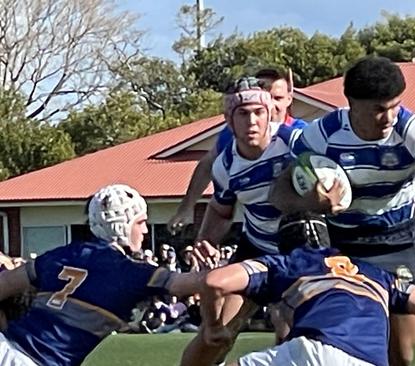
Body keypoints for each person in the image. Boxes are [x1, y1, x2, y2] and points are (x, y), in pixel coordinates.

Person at [269, 55, 415, 366]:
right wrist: (310, 203)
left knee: (400, 352)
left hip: (396, 241)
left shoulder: (413, 130)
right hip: (340, 245)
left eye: (395, 106)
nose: (389, 116)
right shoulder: (321, 135)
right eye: (379, 109)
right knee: (309, 338)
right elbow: (278, 193)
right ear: (352, 103)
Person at [198, 213, 415, 366]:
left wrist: (215, 328)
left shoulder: (288, 263)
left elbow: (215, 281)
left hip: (315, 352)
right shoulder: (375, 275)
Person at [0, 184, 205, 366]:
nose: (145, 231)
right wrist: (236, 268)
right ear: (122, 225)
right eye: (140, 222)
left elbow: (5, 283)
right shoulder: (130, 272)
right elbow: (195, 283)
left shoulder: (61, 254)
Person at [180, 76, 305, 366]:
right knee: (217, 334)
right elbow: (222, 210)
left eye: (259, 112)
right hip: (257, 249)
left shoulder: (297, 141)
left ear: (270, 113)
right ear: (229, 119)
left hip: (300, 254)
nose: (252, 121)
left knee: (293, 333)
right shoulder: (226, 165)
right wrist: (206, 240)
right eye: (243, 113)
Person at [168, 68, 299, 234]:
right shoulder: (231, 139)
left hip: (297, 234)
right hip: (258, 237)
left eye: (277, 98)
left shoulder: (300, 137)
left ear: (290, 99)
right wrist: (186, 209)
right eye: (244, 112)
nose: (273, 104)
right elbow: (207, 166)